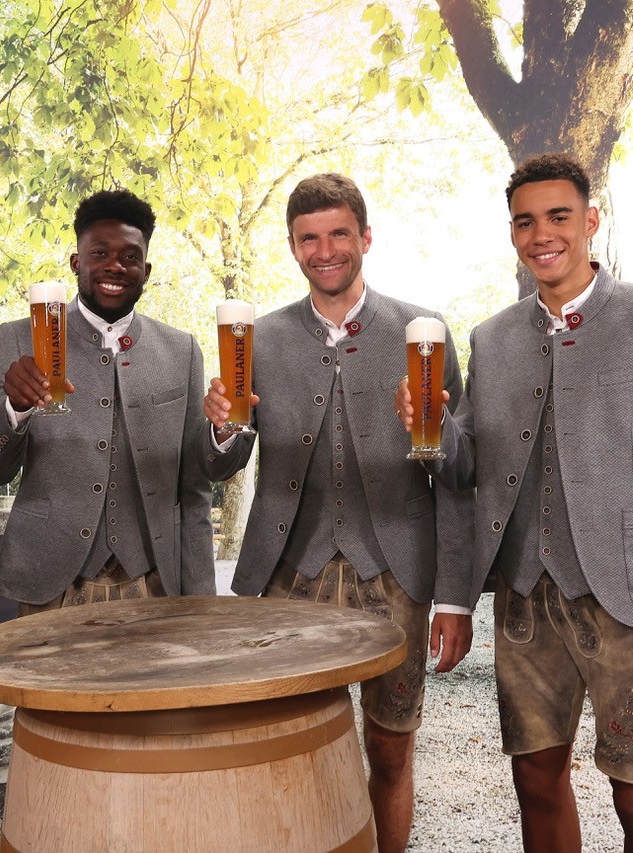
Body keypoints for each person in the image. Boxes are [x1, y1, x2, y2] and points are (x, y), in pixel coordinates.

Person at [396, 153, 633, 852]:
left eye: (558, 216)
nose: (541, 233)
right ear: (512, 233)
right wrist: (429, 435)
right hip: (524, 600)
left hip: (630, 599)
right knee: (536, 786)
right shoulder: (494, 337)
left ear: (590, 222)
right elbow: (470, 471)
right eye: (525, 221)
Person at [200, 173, 480, 853]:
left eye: (338, 235)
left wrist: (456, 599)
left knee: (389, 750)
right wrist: (221, 430)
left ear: (365, 237)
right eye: (309, 239)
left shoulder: (425, 331)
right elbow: (216, 469)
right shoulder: (256, 337)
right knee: (283, 747)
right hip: (286, 571)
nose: (324, 250)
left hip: (395, 574)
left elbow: (464, 475)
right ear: (294, 248)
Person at [0, 189, 214, 613]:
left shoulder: (182, 351)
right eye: (99, 252)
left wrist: (201, 598)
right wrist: (16, 411)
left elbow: (193, 489)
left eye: (130, 256)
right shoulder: (17, 339)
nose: (115, 265)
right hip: (48, 589)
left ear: (146, 269)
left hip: (153, 585)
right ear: (76, 262)